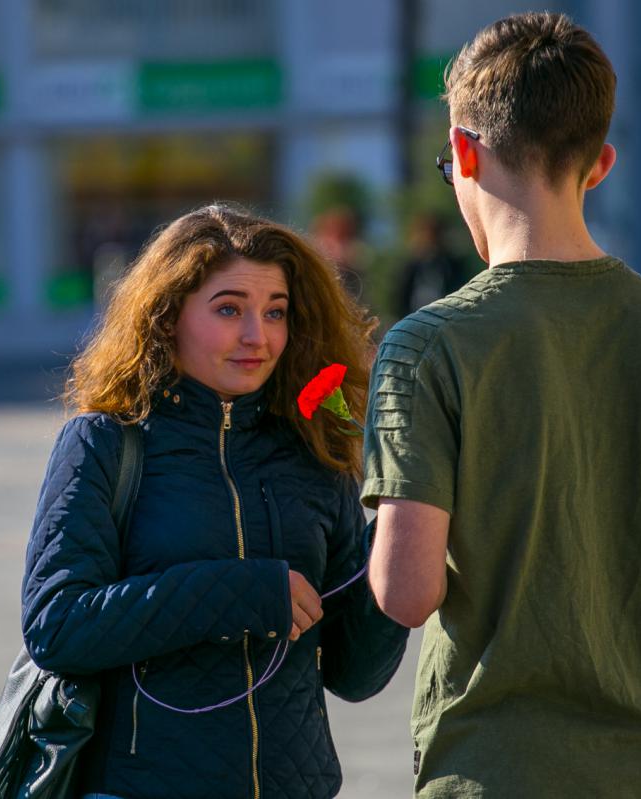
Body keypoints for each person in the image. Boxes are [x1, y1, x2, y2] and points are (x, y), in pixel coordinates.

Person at [361, 12, 641, 798]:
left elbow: (406, 591)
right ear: (600, 165)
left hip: (495, 771)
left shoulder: (428, 346)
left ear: (463, 153)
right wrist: (618, 554)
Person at [21, 204, 408, 799]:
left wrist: (399, 531)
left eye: (275, 312)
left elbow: (356, 675)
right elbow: (58, 625)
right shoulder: (105, 443)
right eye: (229, 309)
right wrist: (242, 594)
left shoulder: (312, 451)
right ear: (167, 316)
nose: (258, 337)